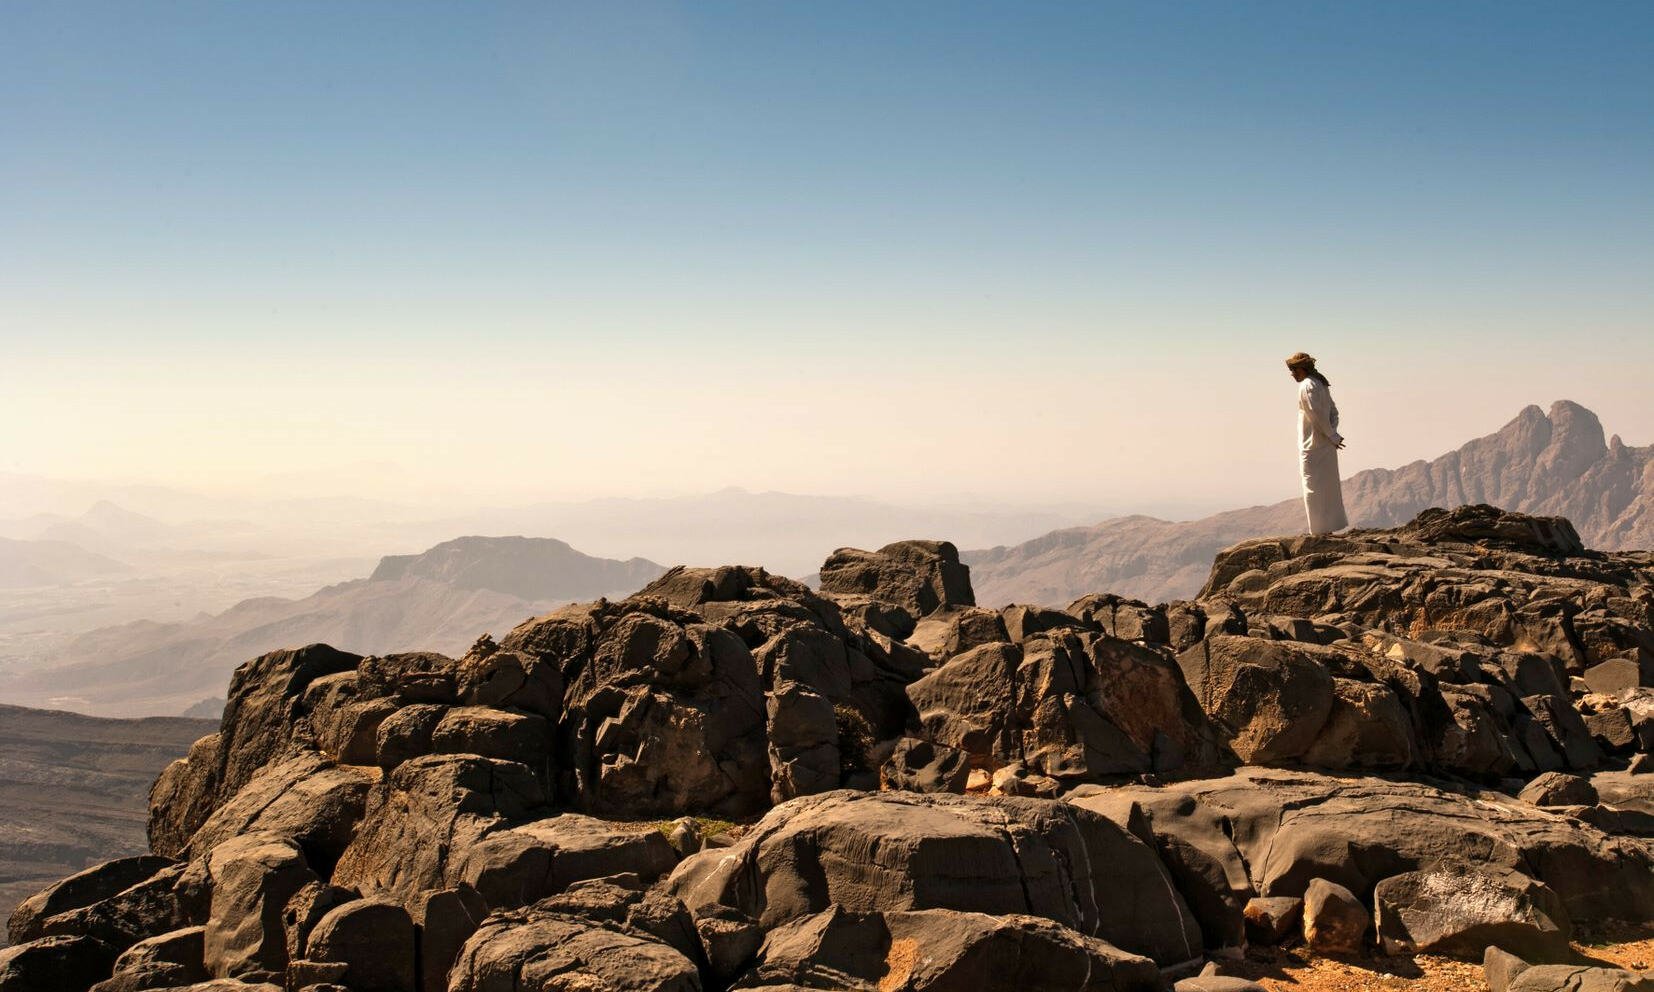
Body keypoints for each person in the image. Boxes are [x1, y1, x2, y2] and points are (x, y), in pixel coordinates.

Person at [1286, 352, 1348, 535]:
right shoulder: (1320, 383)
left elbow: (1317, 416)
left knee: (1313, 487)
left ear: (1302, 369)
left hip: (1312, 445)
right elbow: (1333, 412)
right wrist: (1332, 434)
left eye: (1294, 370)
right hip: (1324, 443)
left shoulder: (1307, 385)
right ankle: (1326, 529)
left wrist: (1332, 436)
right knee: (1327, 486)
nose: (1292, 374)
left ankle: (1320, 532)